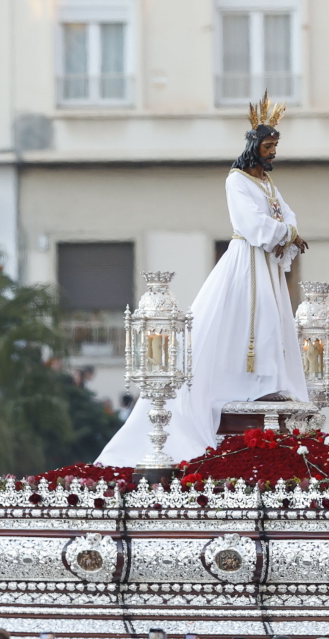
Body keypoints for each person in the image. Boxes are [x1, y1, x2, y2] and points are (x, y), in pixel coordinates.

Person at [99, 94, 308, 465]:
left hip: (268, 265)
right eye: (269, 145)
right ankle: (250, 382)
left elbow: (287, 215)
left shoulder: (269, 186)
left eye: (276, 146)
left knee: (273, 323)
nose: (273, 152)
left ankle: (270, 382)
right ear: (254, 147)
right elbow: (253, 225)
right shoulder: (237, 180)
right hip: (248, 260)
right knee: (250, 320)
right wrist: (286, 233)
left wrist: (288, 231)